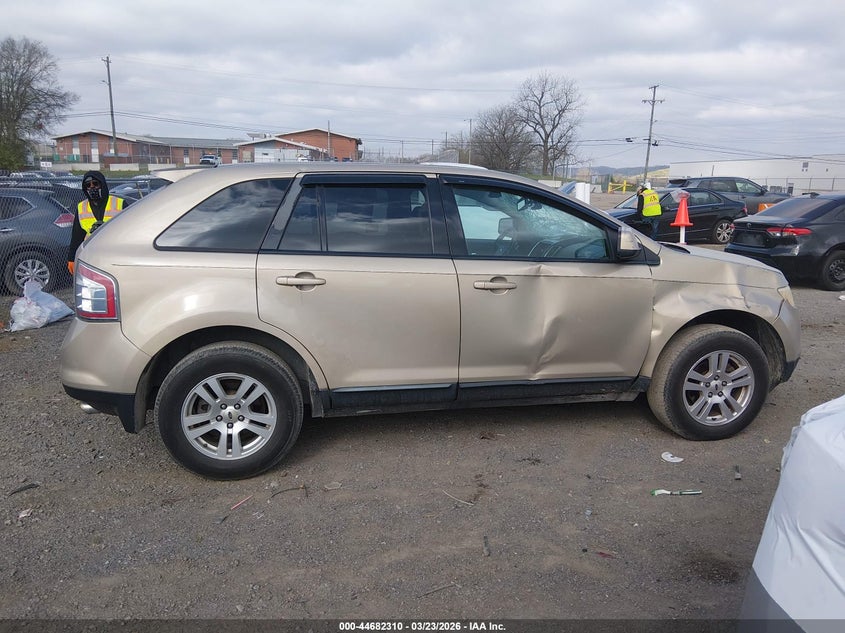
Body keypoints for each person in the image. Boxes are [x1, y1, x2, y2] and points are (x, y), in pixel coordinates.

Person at [67, 171, 125, 274]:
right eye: (88, 185)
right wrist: (72, 258)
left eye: (95, 184)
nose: (92, 187)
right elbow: (77, 236)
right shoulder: (81, 207)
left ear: (102, 184)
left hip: (115, 255)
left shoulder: (119, 203)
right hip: (92, 256)